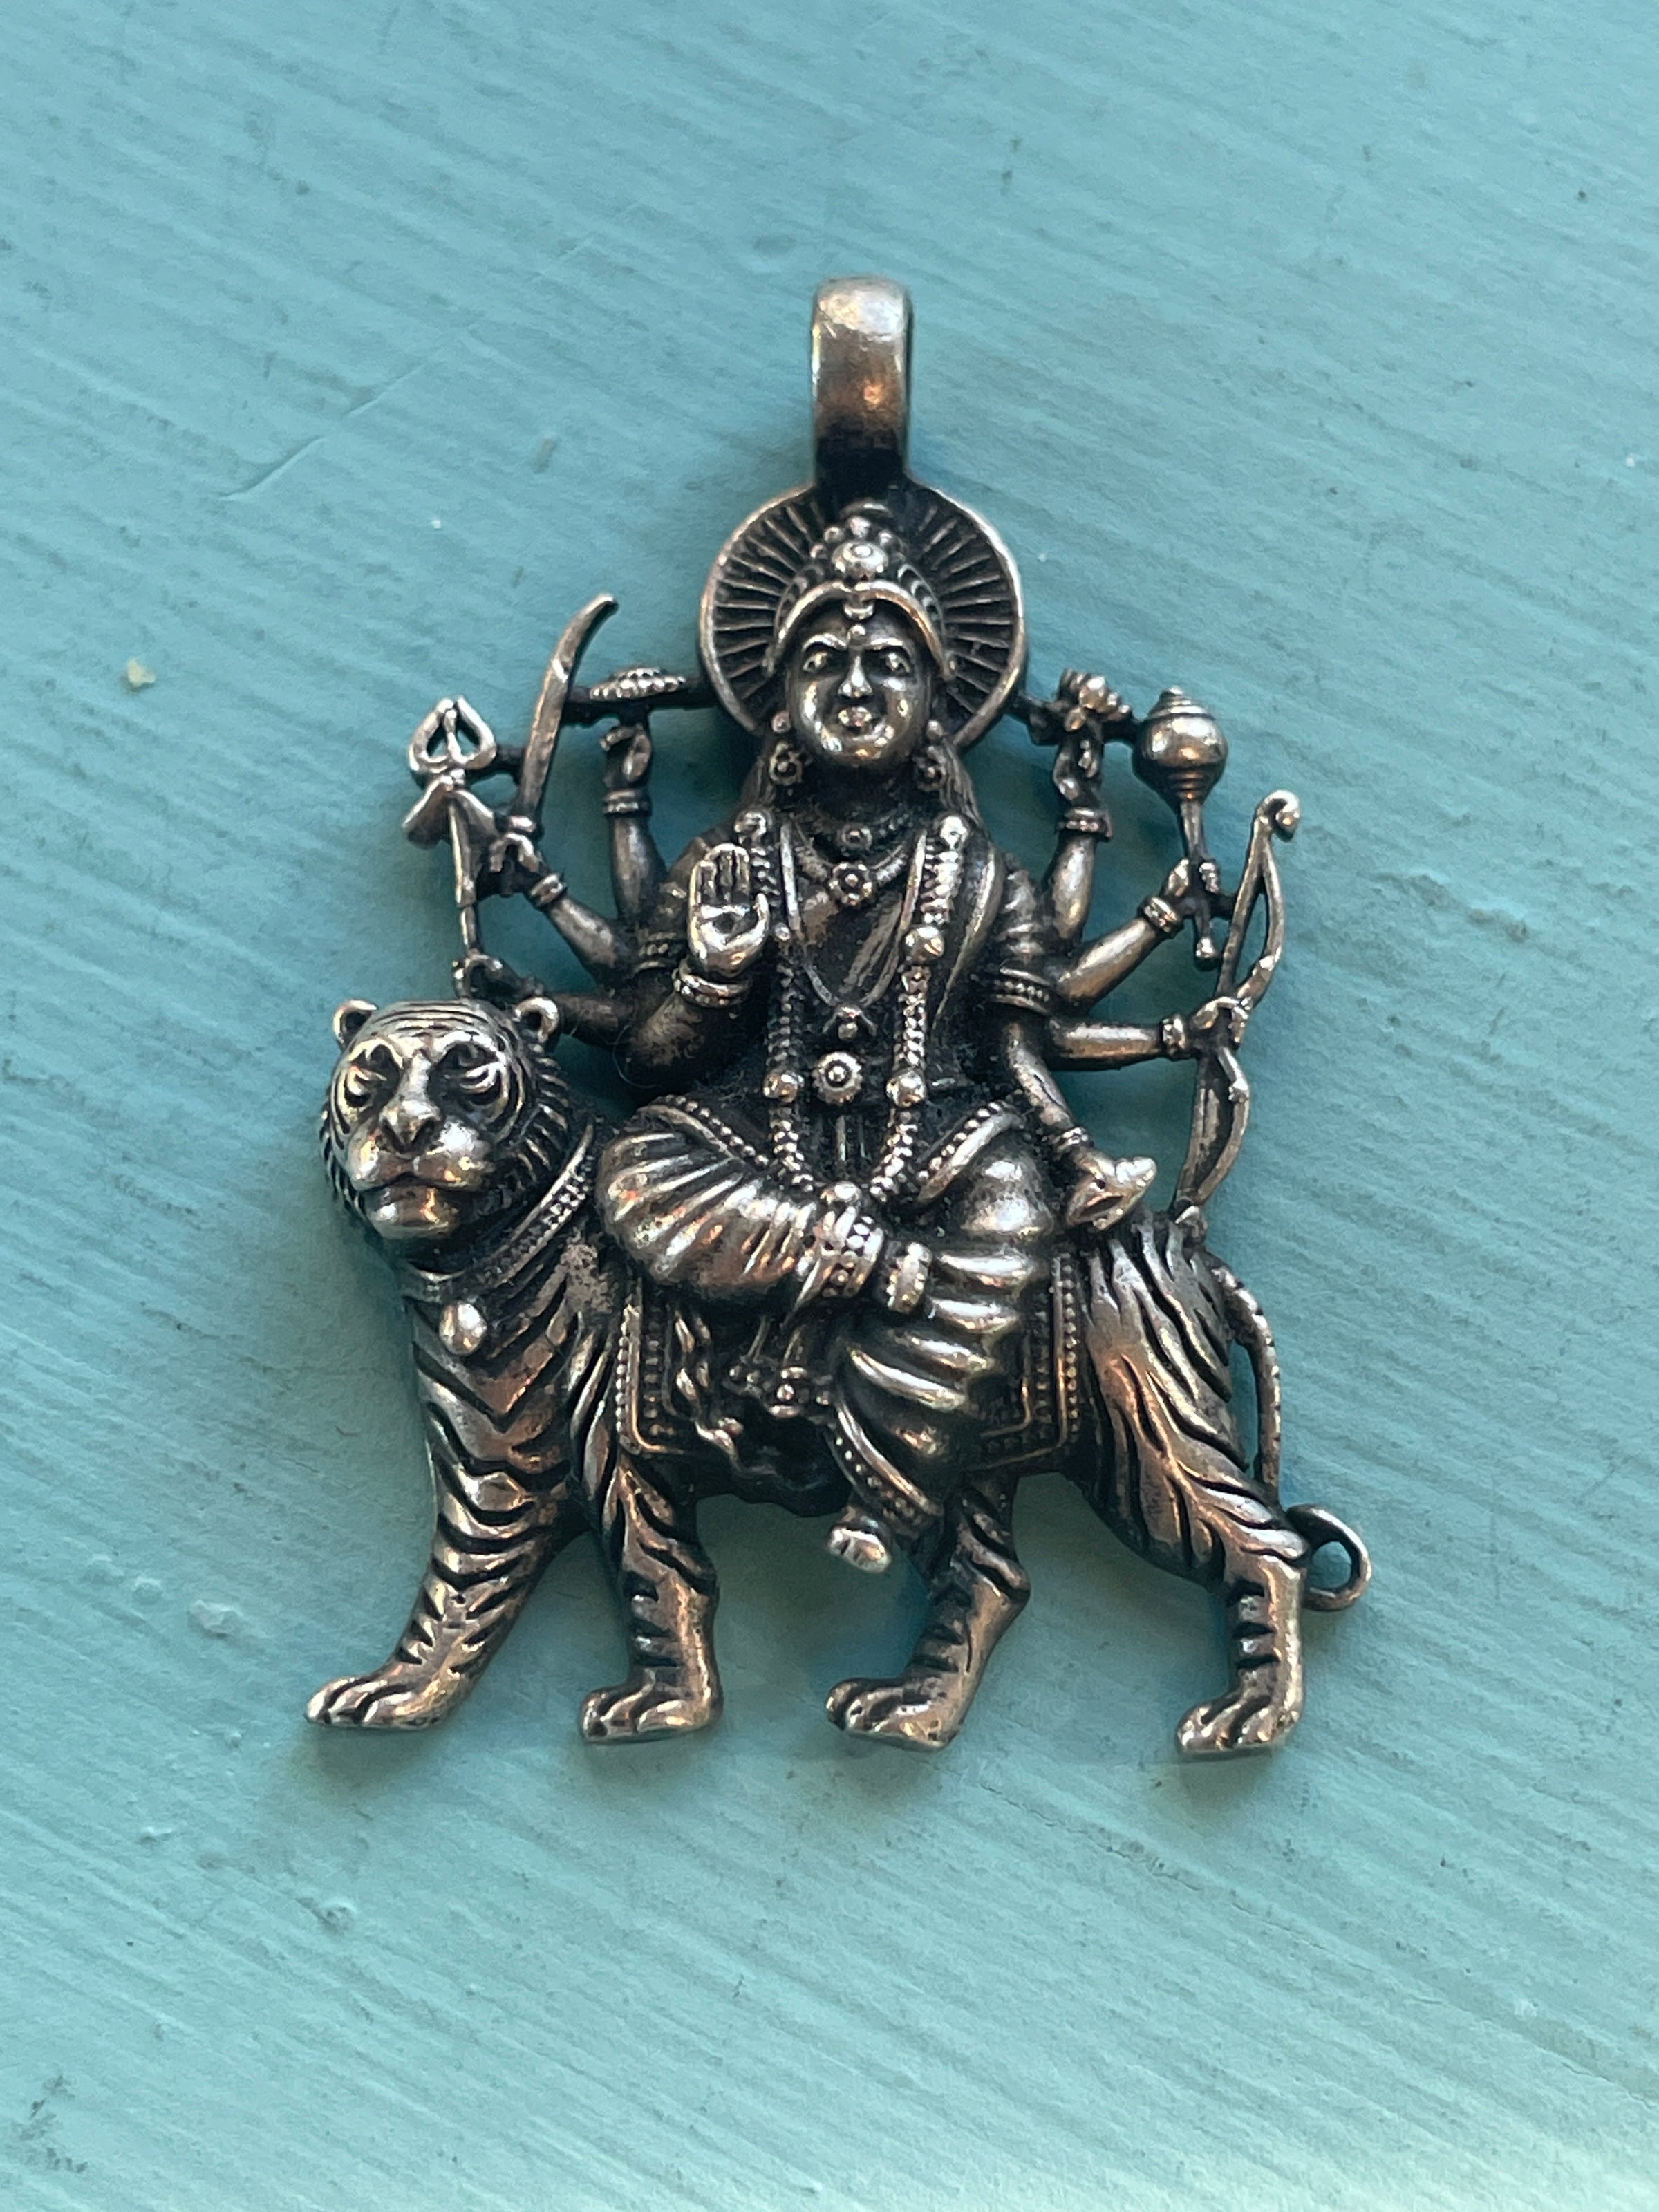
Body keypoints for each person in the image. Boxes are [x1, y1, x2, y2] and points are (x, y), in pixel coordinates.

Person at [591, 505, 1171, 1571]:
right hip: (757, 1153)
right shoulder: (729, 860)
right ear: (778, 703)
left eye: (888, 664)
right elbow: (647, 1059)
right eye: (823, 662)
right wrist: (712, 976)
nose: (854, 688)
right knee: (633, 1167)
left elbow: (1014, 1052)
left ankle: (887, 1471)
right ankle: (869, 1265)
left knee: (1011, 1212)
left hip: (936, 1150)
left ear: (939, 704)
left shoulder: (982, 876)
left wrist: (1071, 1154)